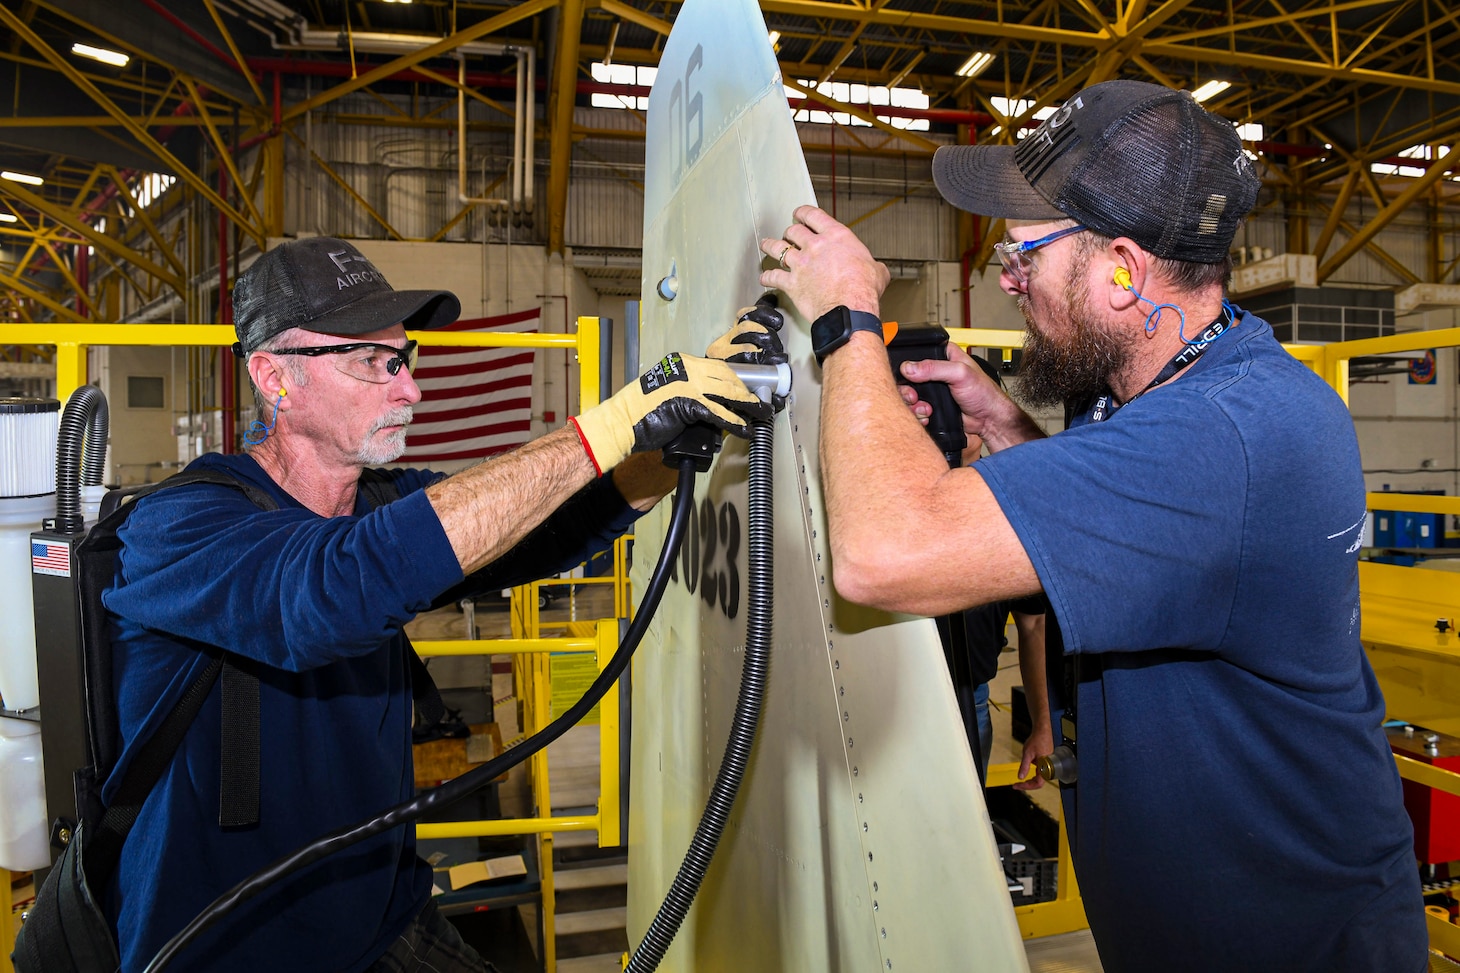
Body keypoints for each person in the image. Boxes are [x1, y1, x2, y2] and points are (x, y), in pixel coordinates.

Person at [758, 80, 1426, 972]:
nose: (1007, 275)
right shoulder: (1167, 385)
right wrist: (1006, 428)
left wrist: (848, 318)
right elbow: (1144, 532)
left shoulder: (1220, 435)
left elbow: (884, 554)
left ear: (1122, 269)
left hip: (1289, 941)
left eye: (1025, 250)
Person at [100, 237, 770, 972]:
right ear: (274, 377)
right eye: (371, 363)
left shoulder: (379, 502)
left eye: (403, 358)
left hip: (384, 920)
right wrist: (612, 422)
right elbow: (331, 591)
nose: (409, 389)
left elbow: (542, 530)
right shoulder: (182, 526)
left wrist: (671, 437)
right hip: (229, 946)